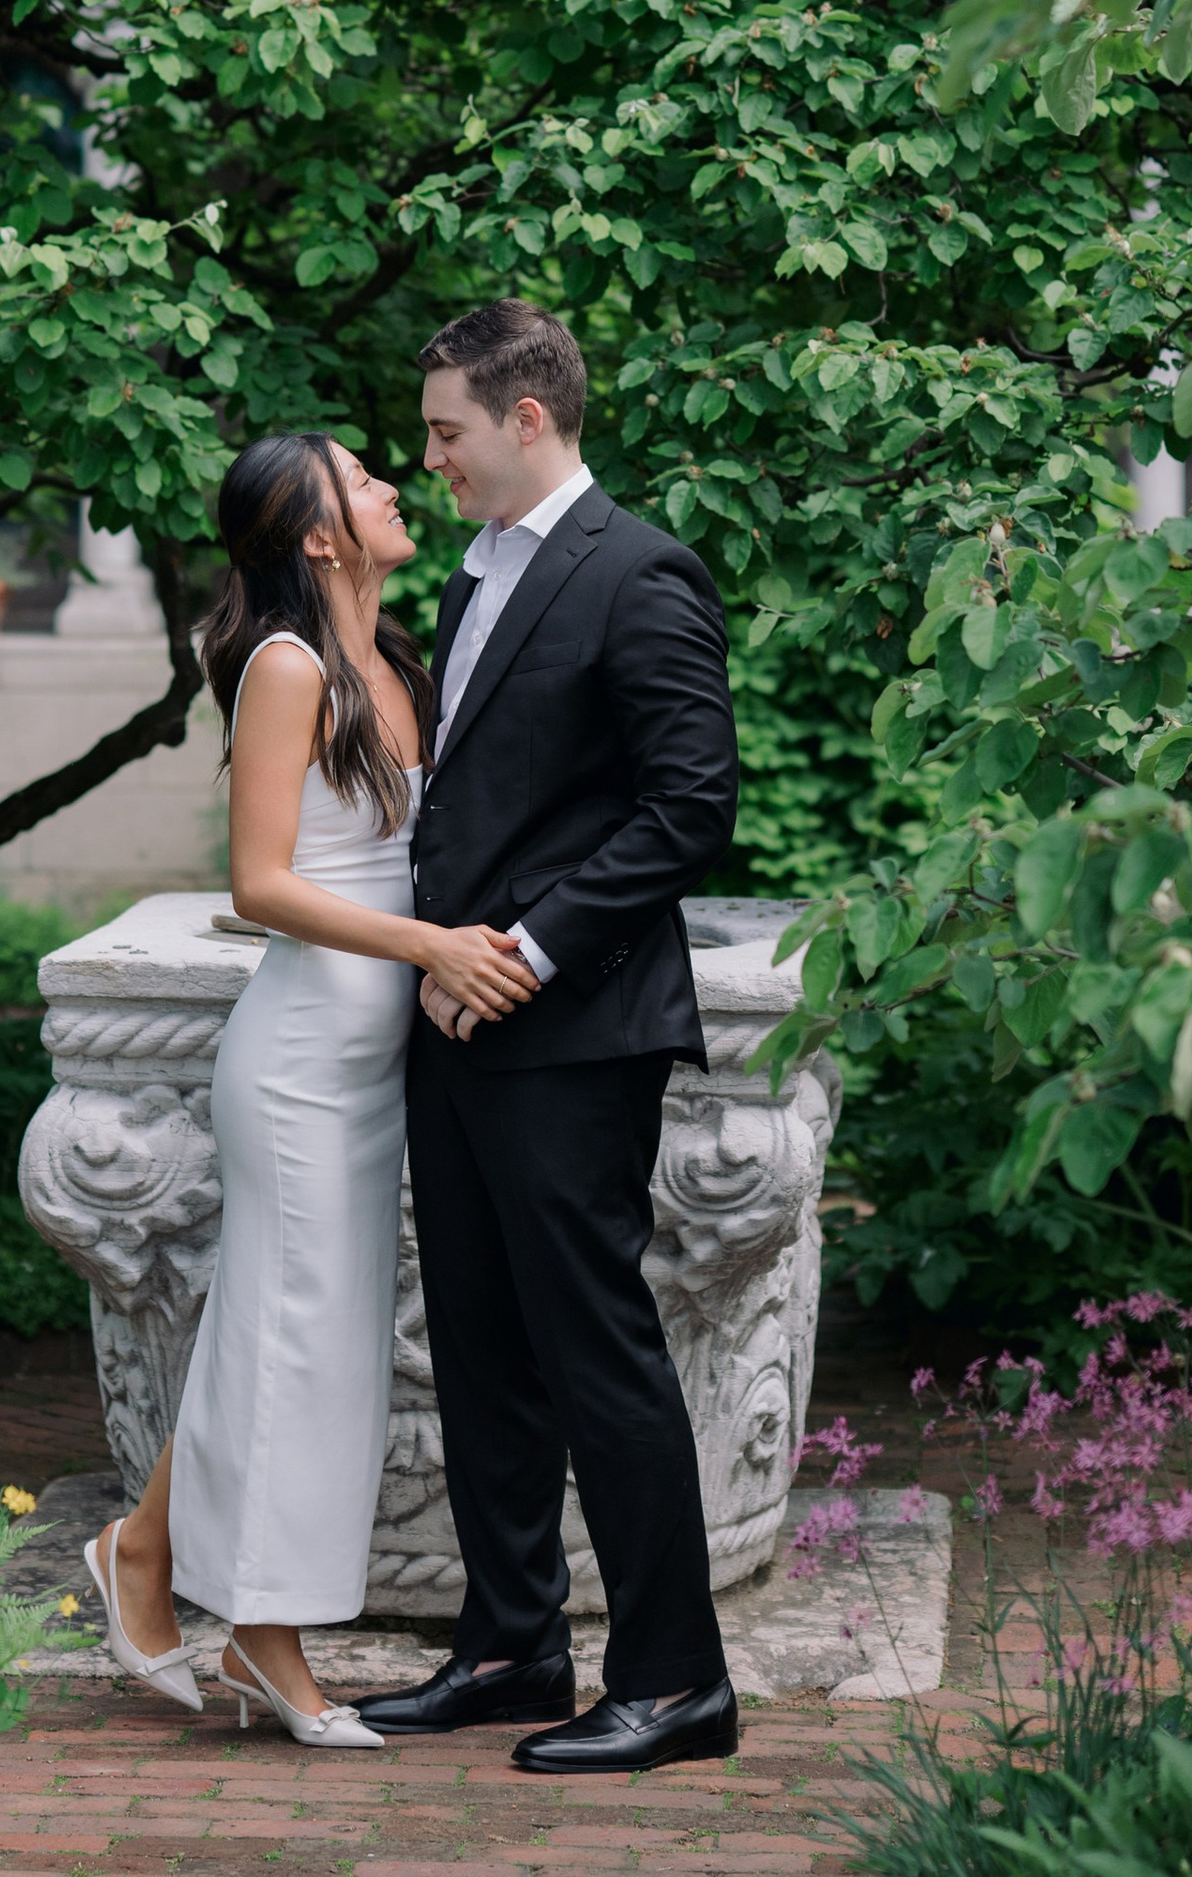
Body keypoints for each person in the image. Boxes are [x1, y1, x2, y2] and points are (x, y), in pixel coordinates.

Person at [80, 431, 540, 1749]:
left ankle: (142, 1553)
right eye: (363, 478)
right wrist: (433, 948)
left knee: (290, 1339)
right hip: (295, 1064)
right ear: (322, 537)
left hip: (375, 1054)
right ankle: (269, 1644)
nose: (396, 482)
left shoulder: (396, 661)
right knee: (294, 1347)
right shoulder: (286, 668)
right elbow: (264, 886)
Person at [362, 300, 744, 1776]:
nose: (433, 456)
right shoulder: (475, 578)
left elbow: (686, 807)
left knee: (598, 1350)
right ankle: (514, 1642)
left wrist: (517, 952)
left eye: (447, 430)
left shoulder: (639, 571)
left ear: (529, 416)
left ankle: (678, 1677)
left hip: (572, 1027)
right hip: (451, 1021)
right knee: (480, 1344)